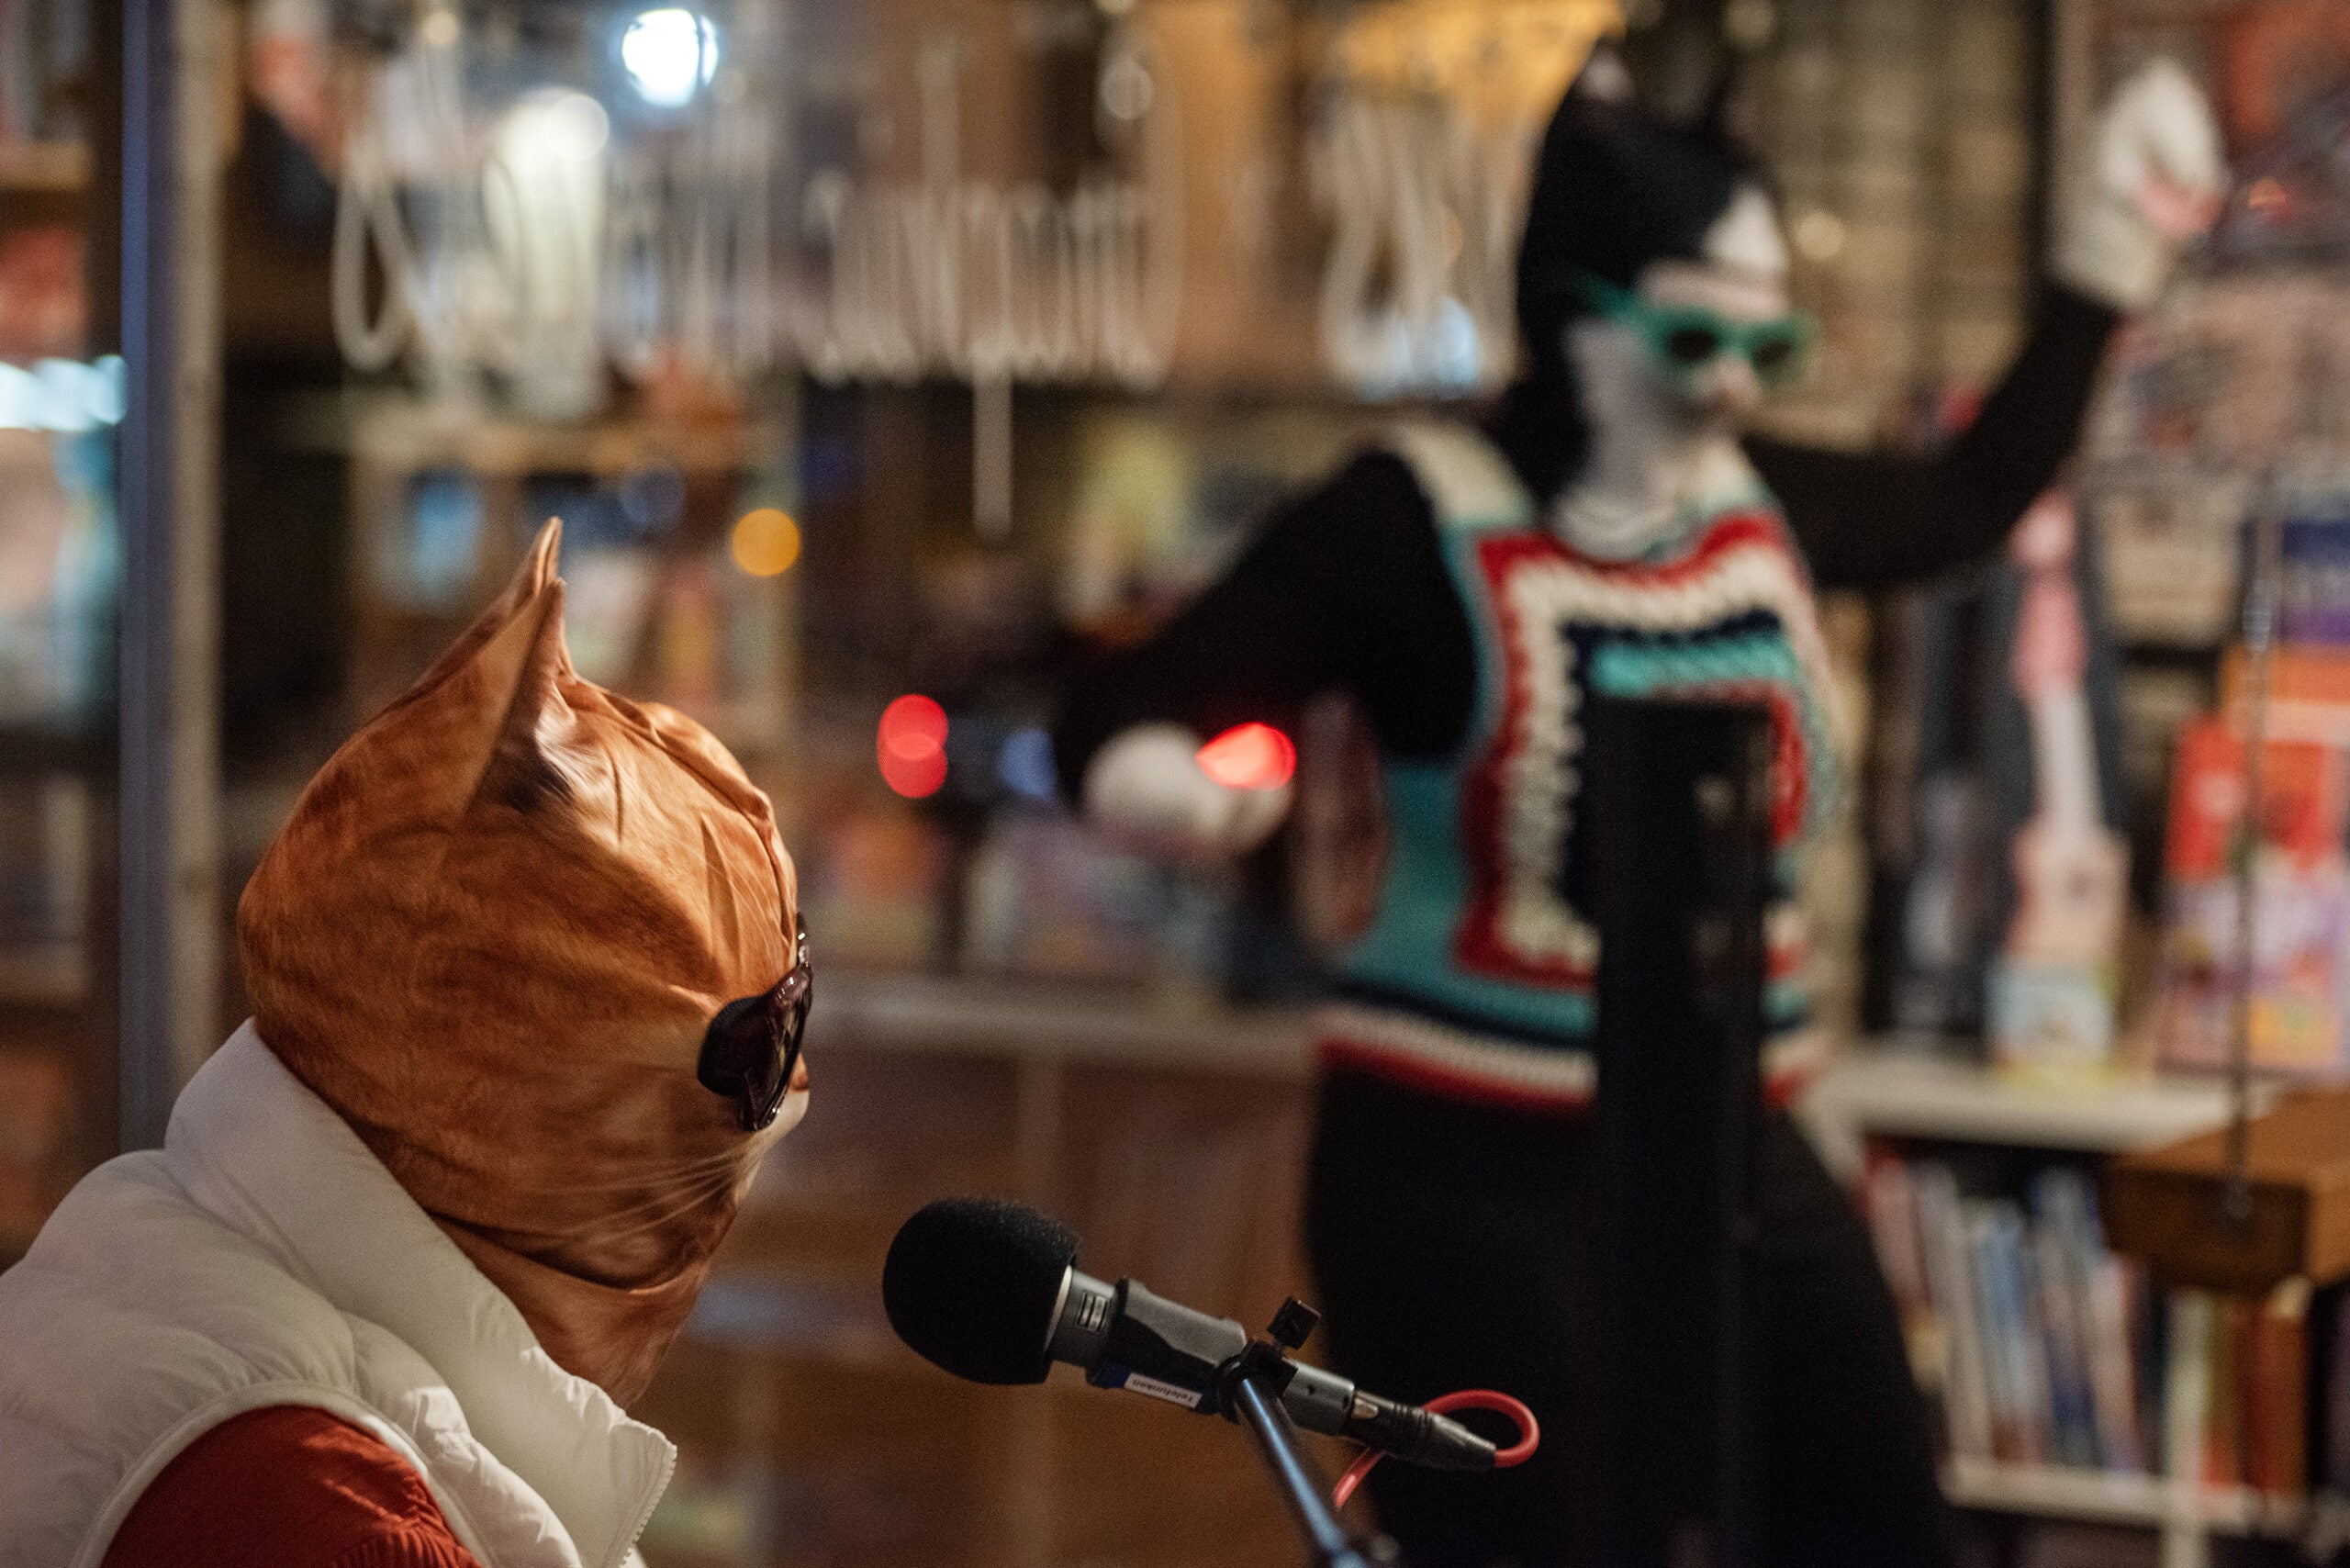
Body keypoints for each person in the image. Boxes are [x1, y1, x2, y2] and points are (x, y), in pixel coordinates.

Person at [1054, 54, 2221, 1567]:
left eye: (1767, 339)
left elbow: (1963, 502)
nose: (1737, 381)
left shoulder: (1754, 499)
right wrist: (1181, 788)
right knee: (1526, 1534)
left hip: (1738, 1130)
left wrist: (2104, 262)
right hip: (1464, 1163)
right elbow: (1129, 704)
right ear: (1579, 311)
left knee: (1878, 1514)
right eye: (1692, 333)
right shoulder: (1416, 515)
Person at [0, 521, 811, 1568]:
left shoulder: (150, 1270)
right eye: (746, 1070)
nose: (788, 1099)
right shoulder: (323, 1501)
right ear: (532, 1100)